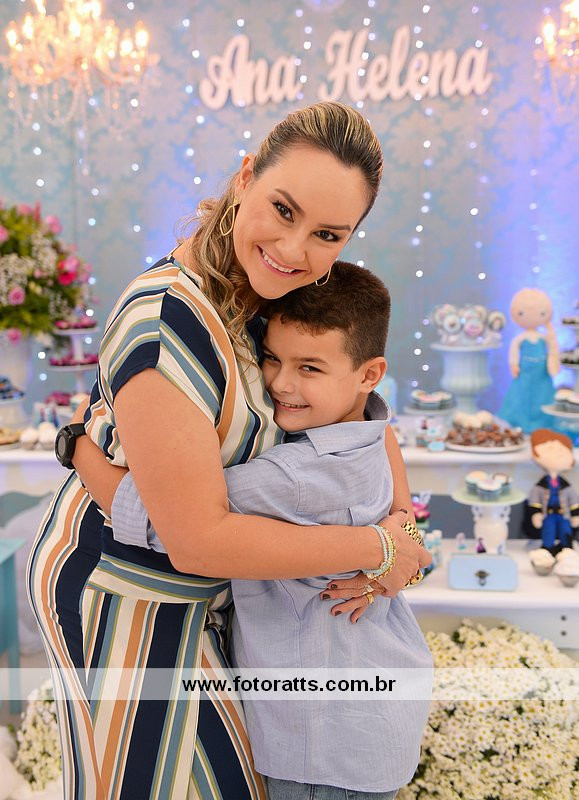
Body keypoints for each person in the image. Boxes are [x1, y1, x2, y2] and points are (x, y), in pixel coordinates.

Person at [27, 101, 430, 800]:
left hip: (213, 596)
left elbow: (361, 412)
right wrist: (376, 546)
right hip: (126, 588)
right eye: (283, 209)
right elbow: (197, 539)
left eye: (327, 234)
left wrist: (401, 520)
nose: (296, 248)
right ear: (246, 177)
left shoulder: (273, 292)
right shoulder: (167, 326)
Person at [107, 261, 433, 799]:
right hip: (372, 717)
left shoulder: (295, 474)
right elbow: (386, 431)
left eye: (309, 368)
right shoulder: (363, 431)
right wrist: (400, 528)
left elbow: (169, 519)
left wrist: (77, 448)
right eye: (272, 358)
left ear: (369, 374)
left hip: (324, 742)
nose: (281, 383)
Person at [499, 288, 559, 432]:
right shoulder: (520, 338)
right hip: (524, 372)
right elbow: (514, 352)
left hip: (542, 373)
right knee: (521, 396)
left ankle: (542, 423)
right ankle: (520, 422)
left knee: (542, 396)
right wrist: (513, 364)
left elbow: (552, 348)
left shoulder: (543, 338)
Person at [529, 428, 579, 553]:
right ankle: (548, 549)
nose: (557, 454)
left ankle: (567, 550)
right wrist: (536, 513)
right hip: (548, 514)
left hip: (564, 514)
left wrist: (575, 514)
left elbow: (574, 500)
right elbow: (535, 500)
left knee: (565, 531)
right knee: (548, 531)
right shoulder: (541, 485)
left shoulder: (566, 485)